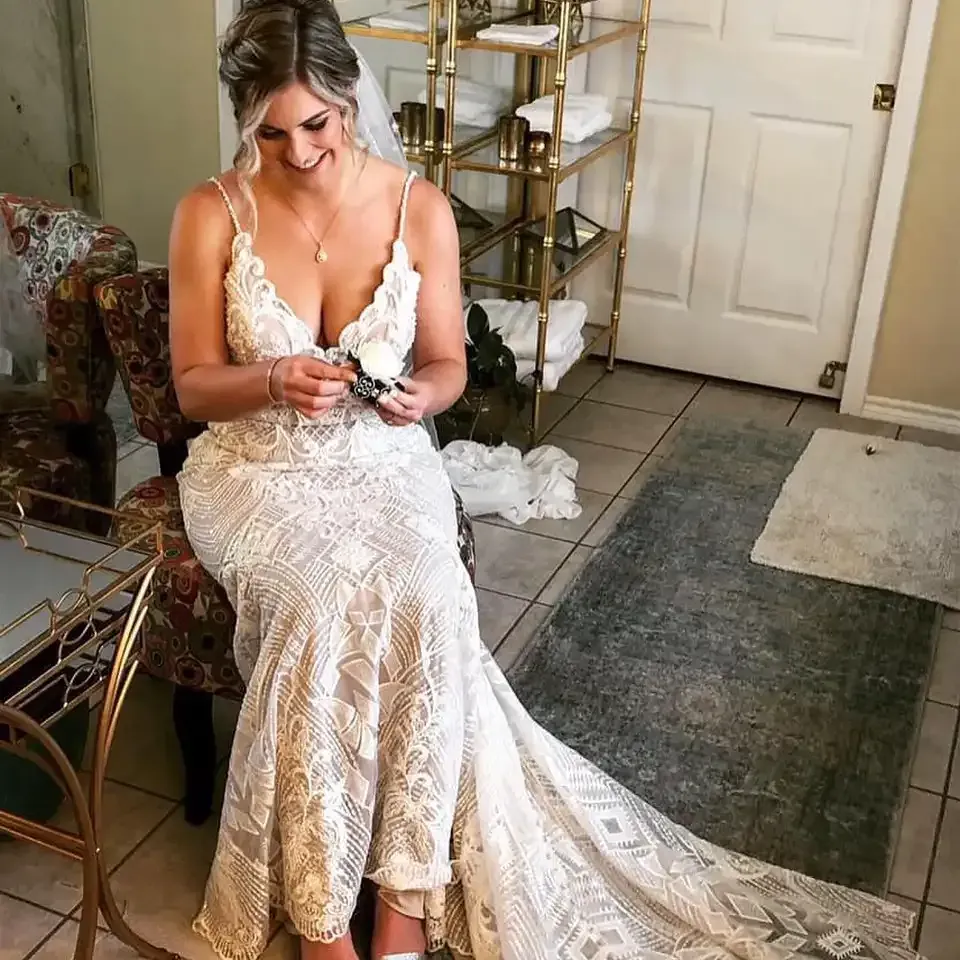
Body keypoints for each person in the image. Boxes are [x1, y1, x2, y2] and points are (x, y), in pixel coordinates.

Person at [170, 2, 922, 959]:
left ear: (349, 99)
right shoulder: (209, 212)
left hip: (380, 456)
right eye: (271, 135)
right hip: (257, 467)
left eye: (317, 125)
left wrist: (413, 399)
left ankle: (402, 905)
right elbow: (194, 389)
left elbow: (445, 363)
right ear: (245, 123)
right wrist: (274, 376)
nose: (300, 152)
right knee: (319, 606)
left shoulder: (417, 209)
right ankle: (323, 923)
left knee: (427, 591)